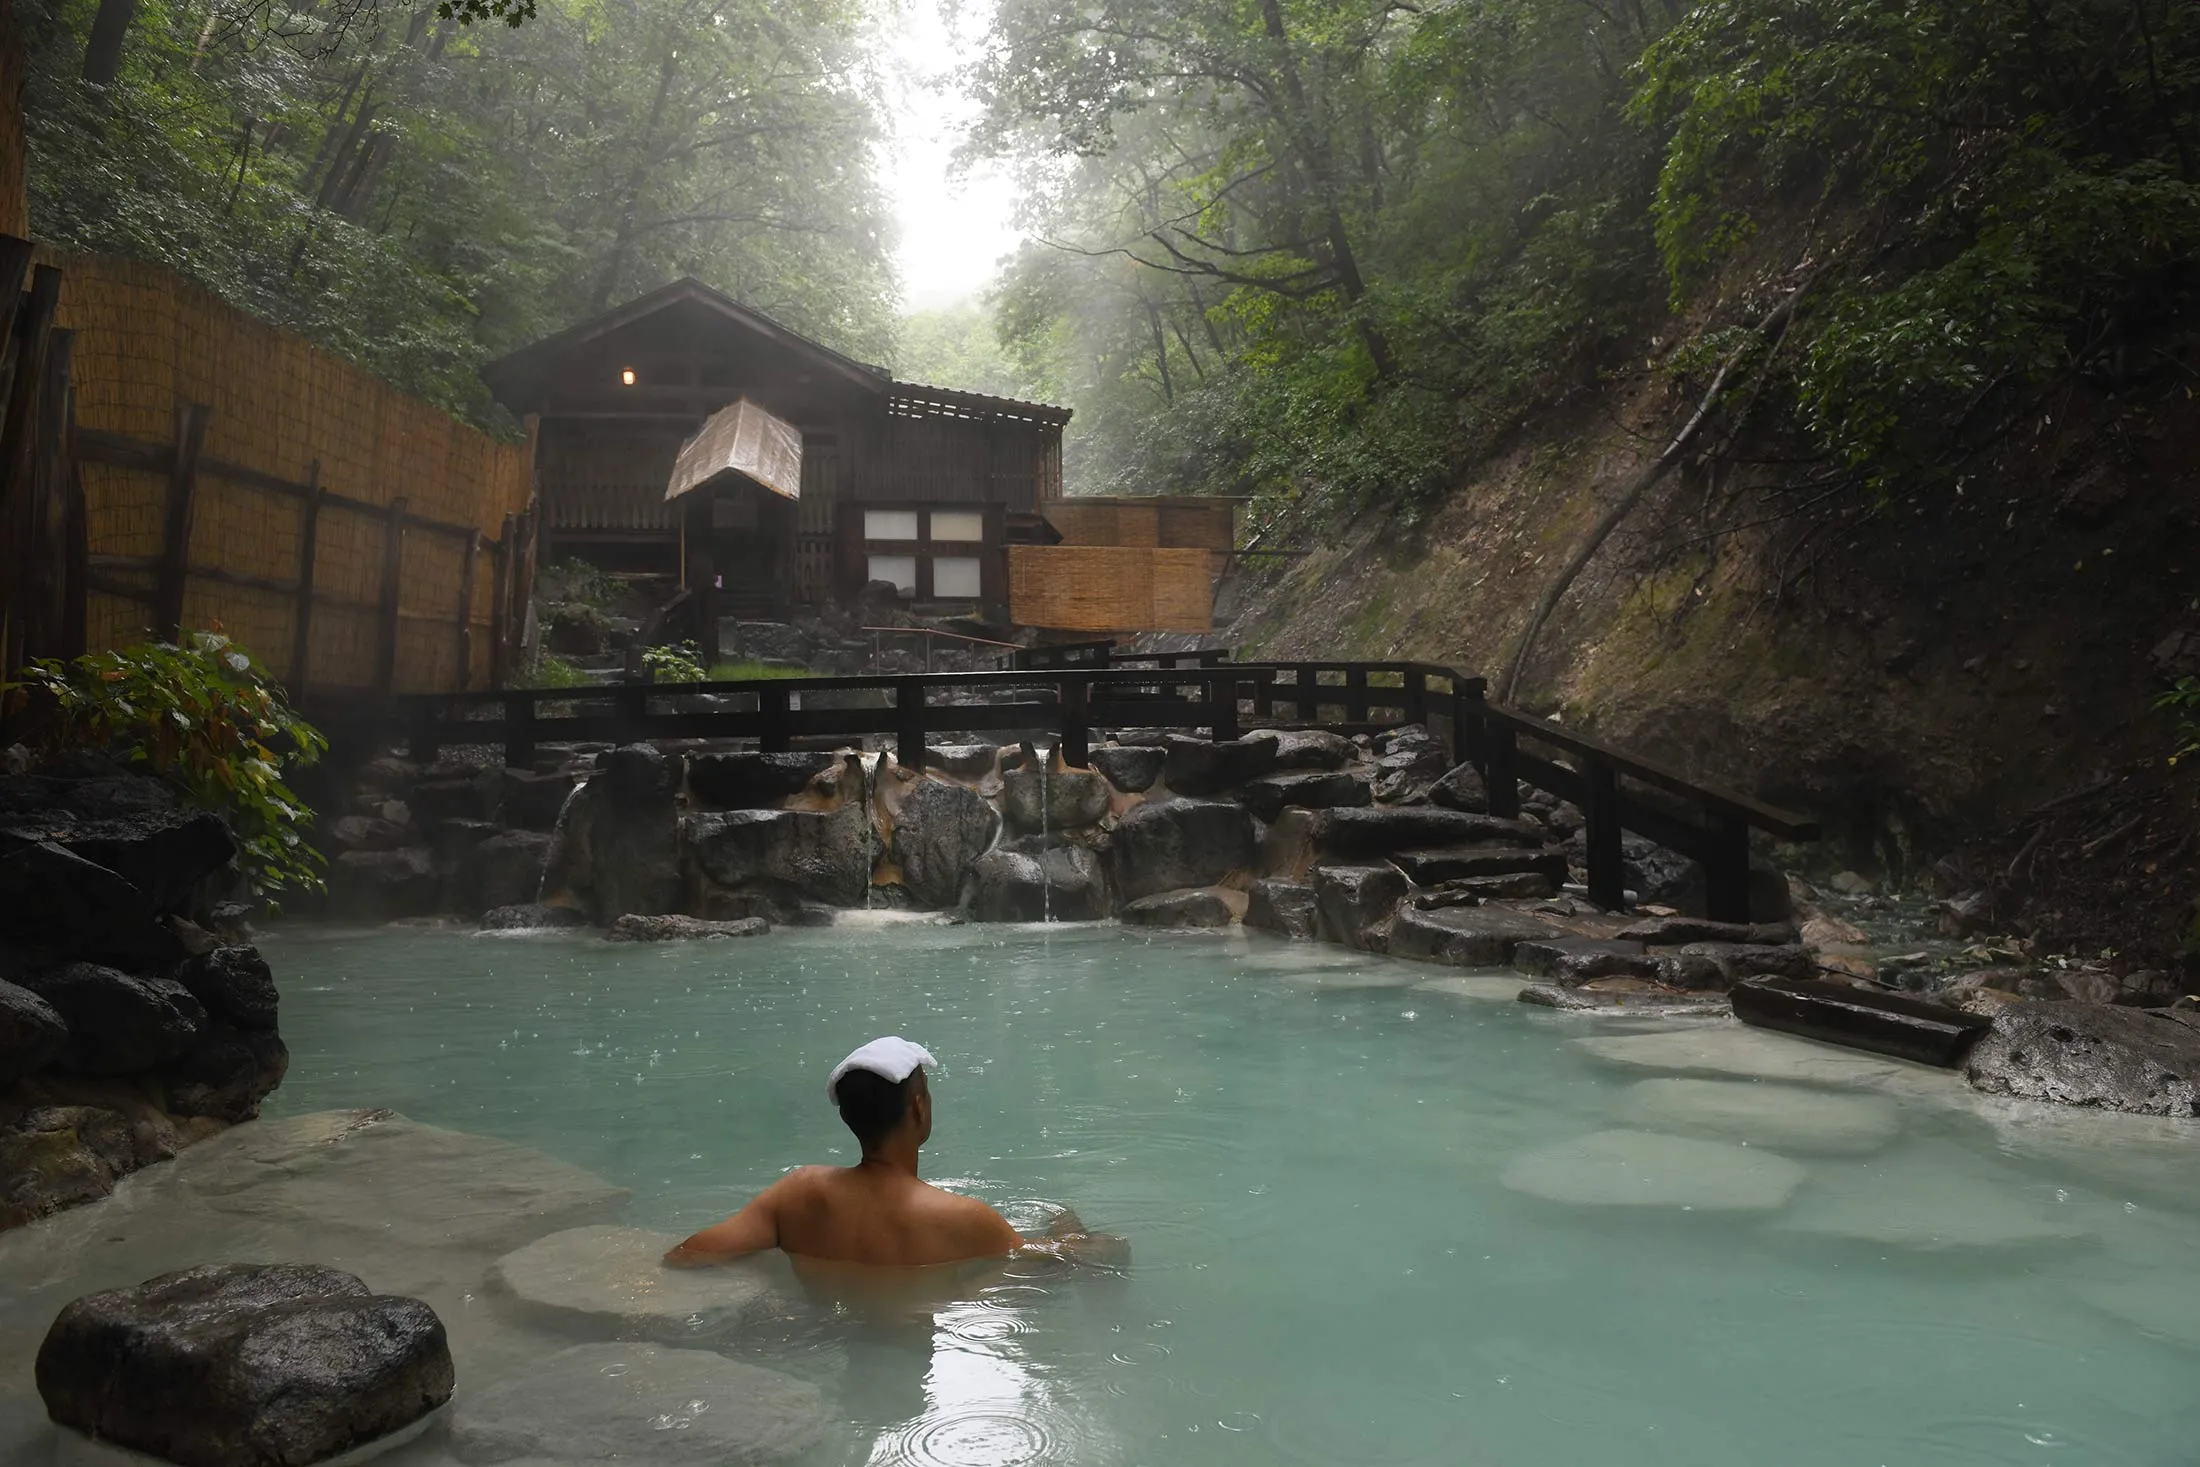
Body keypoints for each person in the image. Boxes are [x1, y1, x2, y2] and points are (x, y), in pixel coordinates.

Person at [663, 1036, 1126, 1272]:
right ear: (919, 1110)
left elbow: (687, 1256)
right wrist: (1069, 1225)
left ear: (847, 1117)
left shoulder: (797, 1194)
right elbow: (1069, 1263)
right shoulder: (965, 1219)